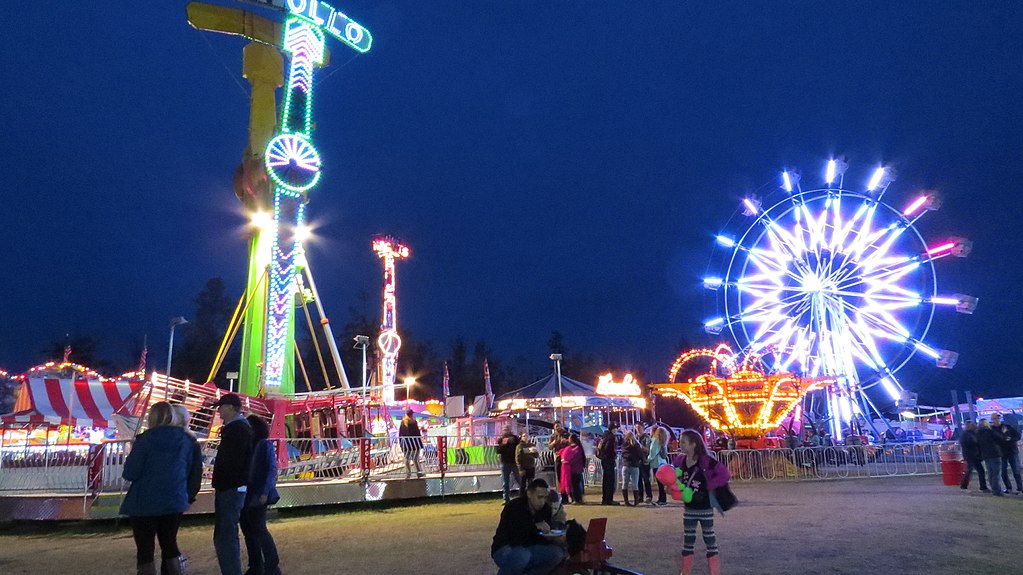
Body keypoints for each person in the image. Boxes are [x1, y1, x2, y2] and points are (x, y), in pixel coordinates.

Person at [121, 401, 201, 575]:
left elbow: (130, 472)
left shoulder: (145, 440)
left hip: (144, 502)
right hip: (174, 499)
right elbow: (190, 469)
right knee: (170, 545)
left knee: (145, 549)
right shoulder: (186, 440)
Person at [673, 430, 731, 575]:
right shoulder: (680, 460)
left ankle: (714, 572)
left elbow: (725, 474)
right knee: (688, 540)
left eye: (684, 442)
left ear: (693, 444)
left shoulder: (705, 460)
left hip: (705, 507)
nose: (681, 444)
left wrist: (709, 485)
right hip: (690, 507)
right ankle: (685, 571)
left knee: (709, 539)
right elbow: (673, 477)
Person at [211, 393, 255, 575]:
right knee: (226, 532)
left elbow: (231, 461)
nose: (219, 410)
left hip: (230, 487)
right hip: (233, 486)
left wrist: (223, 481)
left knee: (225, 534)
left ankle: (231, 571)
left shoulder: (236, 430)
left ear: (230, 407)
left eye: (221, 406)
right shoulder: (240, 428)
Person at [491, 478, 566, 575]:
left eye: (545, 497)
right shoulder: (514, 507)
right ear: (529, 494)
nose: (542, 502)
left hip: (529, 547)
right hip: (506, 547)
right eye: (539, 497)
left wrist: (552, 538)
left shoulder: (545, 509)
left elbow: (540, 537)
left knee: (557, 554)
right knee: (522, 556)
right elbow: (514, 536)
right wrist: (535, 527)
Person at [240, 415, 281, 575]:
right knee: (249, 531)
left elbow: (271, 470)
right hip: (247, 492)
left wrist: (265, 491)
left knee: (258, 529)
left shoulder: (264, 445)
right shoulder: (249, 445)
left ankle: (271, 565)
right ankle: (256, 565)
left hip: (256, 492)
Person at [990, 413, 1022, 494]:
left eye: (997, 418)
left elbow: (1018, 436)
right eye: (994, 419)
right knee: (1003, 472)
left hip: (1012, 451)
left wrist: (1011, 439)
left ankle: (1020, 487)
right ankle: (1008, 488)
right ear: (992, 420)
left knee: (1016, 471)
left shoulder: (1007, 427)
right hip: (1001, 453)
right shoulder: (992, 430)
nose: (996, 420)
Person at [976, 419, 1004, 497]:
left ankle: (993, 489)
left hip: (985, 455)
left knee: (990, 472)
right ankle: (996, 491)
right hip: (994, 454)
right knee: (996, 473)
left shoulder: (978, 433)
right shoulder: (990, 432)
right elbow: (1000, 438)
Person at [958, 420, 988, 491]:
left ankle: (965, 485)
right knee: (975, 470)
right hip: (972, 455)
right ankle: (982, 487)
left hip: (973, 455)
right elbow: (967, 444)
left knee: (972, 470)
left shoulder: (970, 433)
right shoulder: (968, 434)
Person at [496, 425, 522, 503]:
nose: (506, 431)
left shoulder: (515, 438)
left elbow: (519, 446)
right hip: (505, 463)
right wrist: (504, 443)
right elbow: (498, 451)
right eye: (505, 429)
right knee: (505, 482)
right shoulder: (501, 439)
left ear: (510, 430)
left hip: (514, 462)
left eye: (507, 429)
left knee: (519, 480)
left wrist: (513, 440)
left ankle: (523, 496)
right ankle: (506, 499)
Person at [559, 434, 586, 504]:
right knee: (574, 485)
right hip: (574, 469)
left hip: (575, 469)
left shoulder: (577, 448)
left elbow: (574, 457)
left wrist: (567, 461)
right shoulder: (576, 448)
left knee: (575, 485)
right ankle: (577, 499)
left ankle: (577, 499)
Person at [597, 425, 620, 505]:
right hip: (609, 460)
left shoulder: (604, 436)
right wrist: (613, 455)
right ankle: (609, 499)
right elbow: (609, 448)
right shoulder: (611, 437)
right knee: (610, 480)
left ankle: (605, 499)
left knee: (606, 480)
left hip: (604, 460)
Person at [398, 409, 425, 479]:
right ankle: (419, 472)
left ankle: (408, 474)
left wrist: (401, 444)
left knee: (407, 459)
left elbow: (400, 434)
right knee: (415, 459)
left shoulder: (403, 422)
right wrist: (420, 443)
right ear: (412, 414)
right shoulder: (413, 422)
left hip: (406, 444)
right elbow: (417, 433)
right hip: (414, 443)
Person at [620, 431, 644, 506]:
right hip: (634, 465)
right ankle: (636, 501)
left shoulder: (624, 445)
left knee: (625, 483)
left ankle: (626, 501)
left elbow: (622, 454)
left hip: (626, 465)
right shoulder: (636, 445)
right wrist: (642, 460)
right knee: (635, 484)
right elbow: (640, 454)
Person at [648, 426, 670, 506]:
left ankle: (662, 500)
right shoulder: (663, 442)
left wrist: (648, 460)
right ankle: (662, 498)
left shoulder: (655, 441)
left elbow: (652, 452)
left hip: (656, 464)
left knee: (659, 483)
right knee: (662, 483)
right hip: (663, 463)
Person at [547, 422, 570, 496]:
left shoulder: (566, 434)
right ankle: (562, 493)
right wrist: (553, 443)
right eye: (556, 426)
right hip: (558, 457)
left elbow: (572, 442)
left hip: (566, 457)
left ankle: (568, 492)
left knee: (566, 475)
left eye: (559, 426)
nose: (558, 427)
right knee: (559, 475)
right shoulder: (553, 436)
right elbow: (549, 447)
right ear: (554, 427)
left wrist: (566, 441)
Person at [516, 432, 539, 498]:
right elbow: (518, 457)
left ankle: (531, 497)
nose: (525, 437)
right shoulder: (520, 446)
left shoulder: (531, 445)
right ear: (521, 437)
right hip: (524, 467)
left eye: (526, 436)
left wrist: (535, 451)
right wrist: (520, 468)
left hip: (531, 467)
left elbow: (536, 456)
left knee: (531, 483)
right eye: (524, 436)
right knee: (523, 484)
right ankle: (521, 497)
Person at [636, 423, 654, 504]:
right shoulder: (636, 437)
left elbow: (647, 449)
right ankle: (640, 496)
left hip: (645, 461)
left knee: (646, 479)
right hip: (637, 461)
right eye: (636, 428)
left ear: (643, 428)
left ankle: (649, 496)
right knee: (638, 480)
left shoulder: (646, 438)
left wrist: (639, 445)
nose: (638, 429)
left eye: (639, 428)